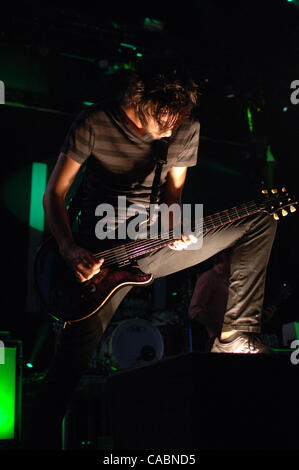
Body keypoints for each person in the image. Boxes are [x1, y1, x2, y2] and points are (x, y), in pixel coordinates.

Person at [28, 57, 277, 449]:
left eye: (178, 120)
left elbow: (173, 195)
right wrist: (69, 248)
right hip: (100, 255)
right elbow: (53, 194)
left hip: (153, 245)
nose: (172, 129)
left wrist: (175, 225)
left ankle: (233, 335)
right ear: (139, 99)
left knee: (261, 219)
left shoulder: (185, 125)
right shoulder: (93, 122)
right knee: (66, 372)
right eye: (164, 120)